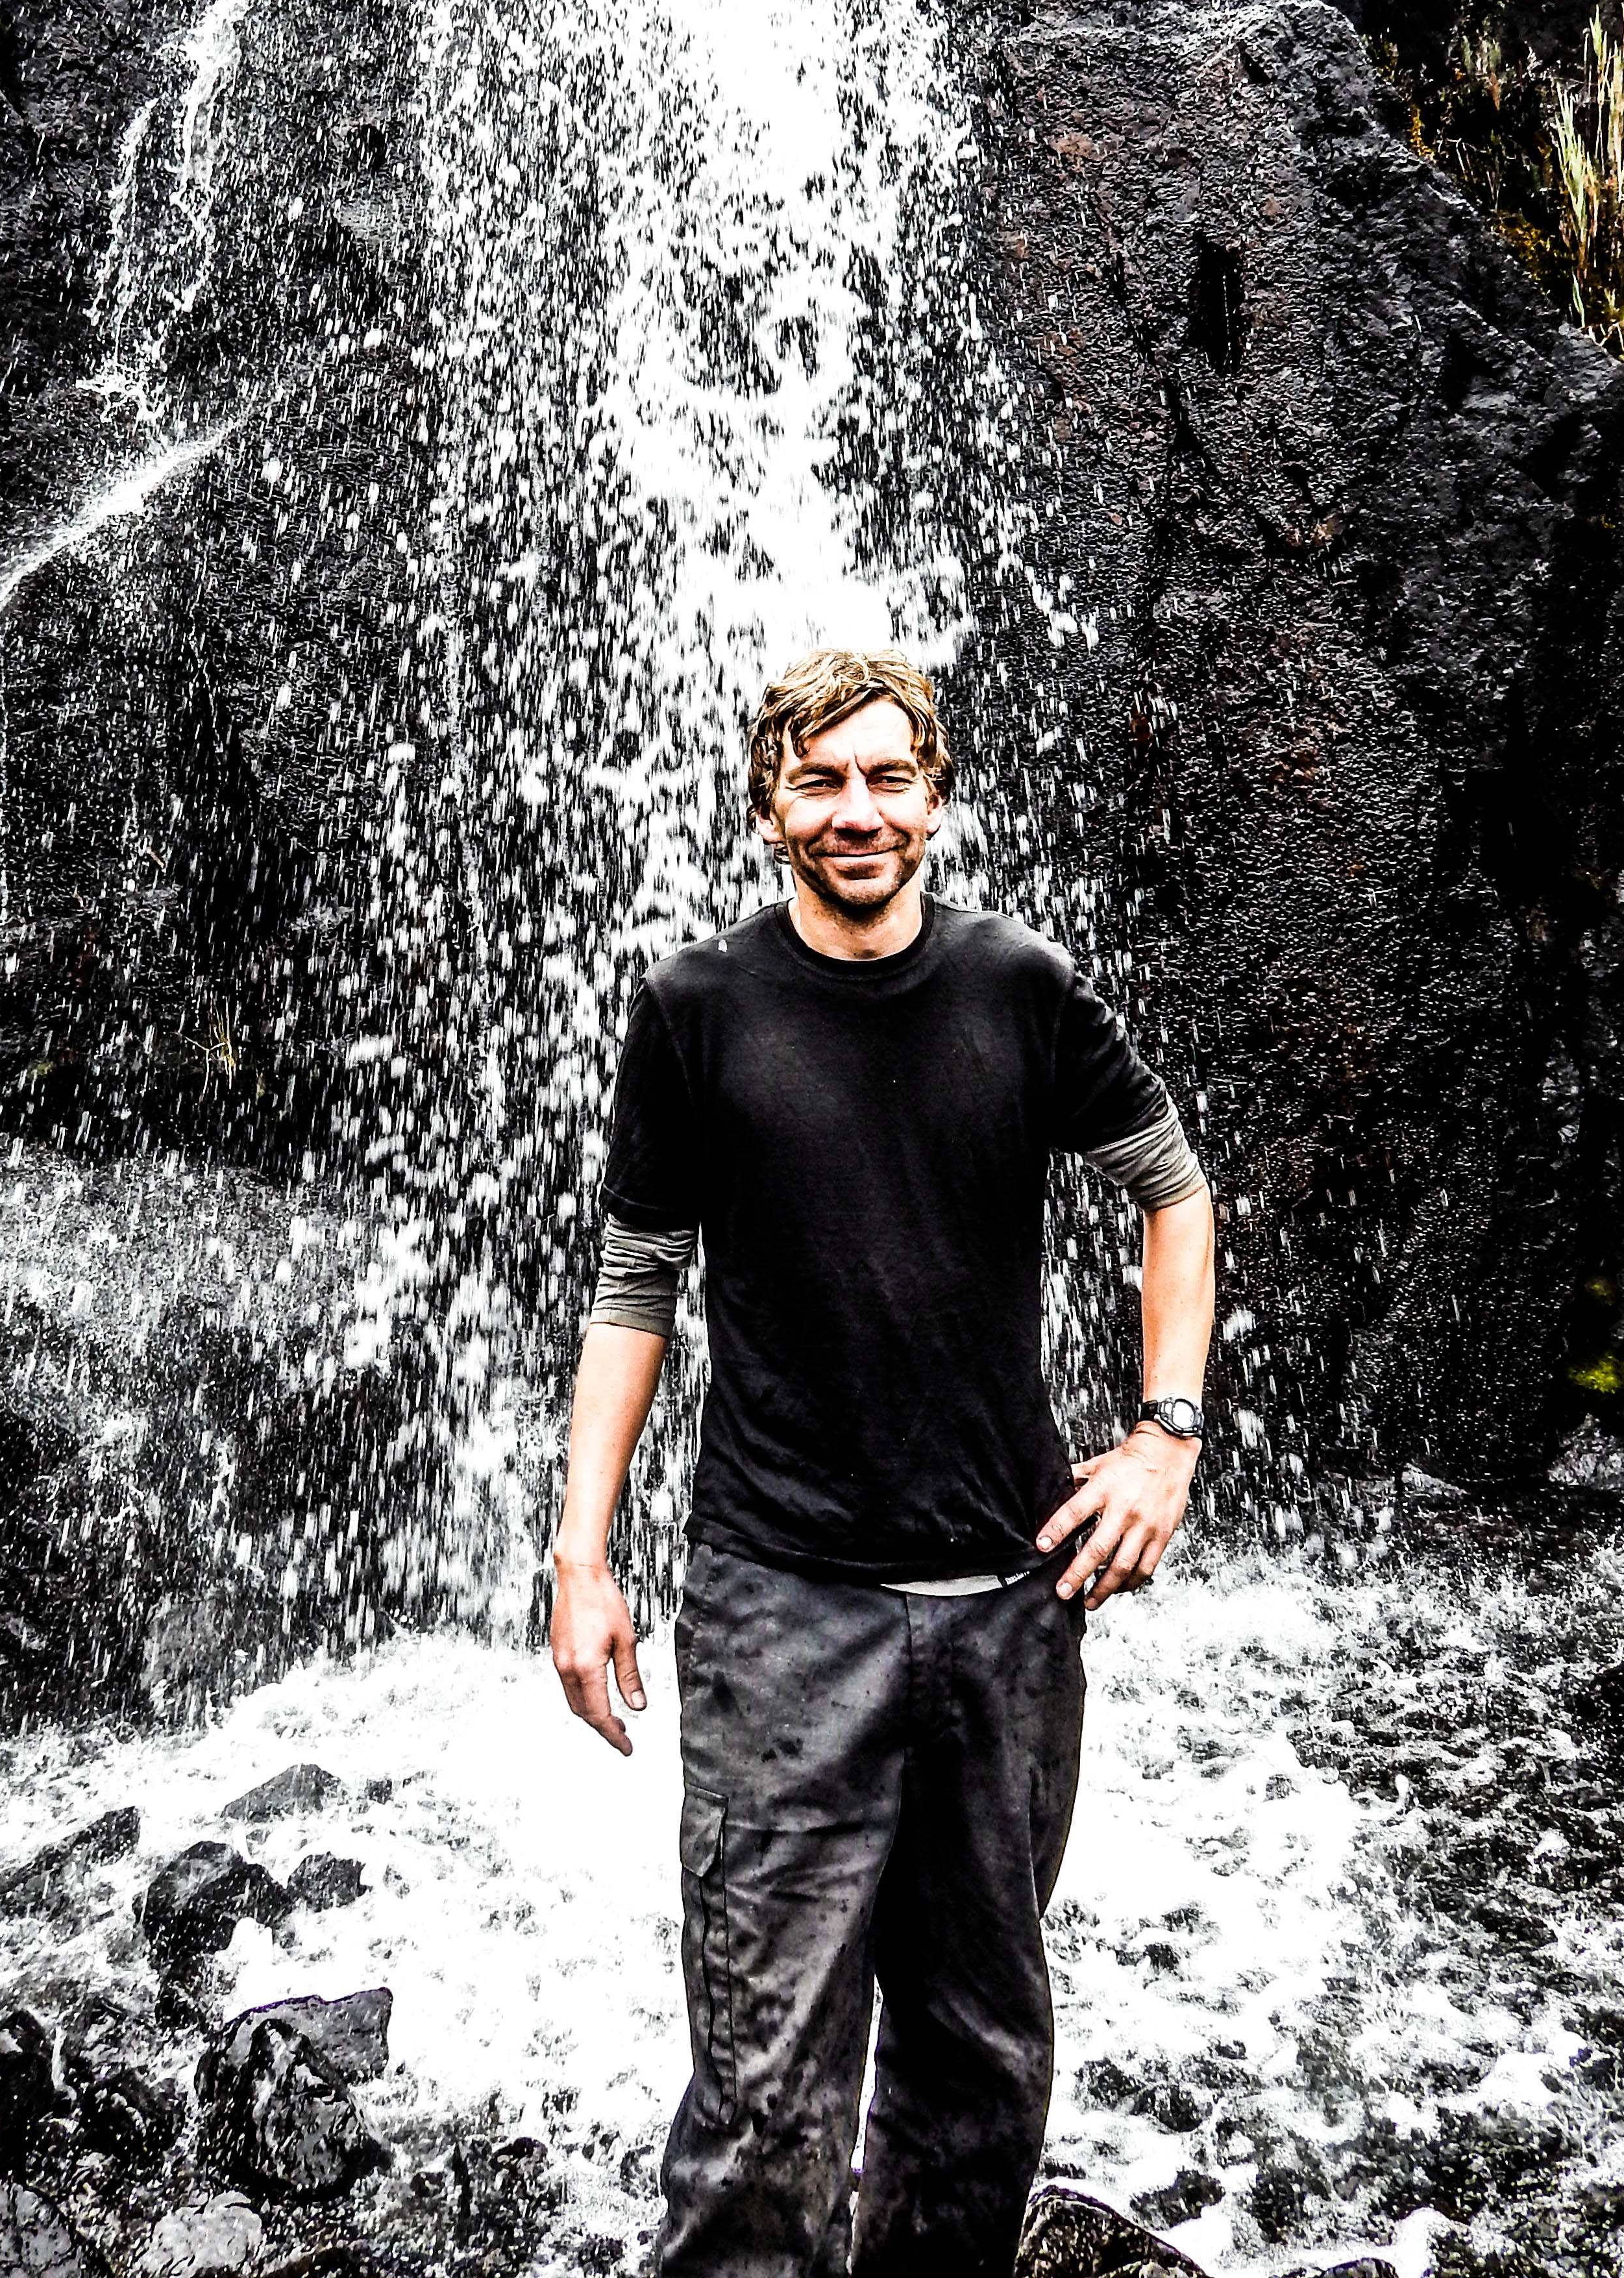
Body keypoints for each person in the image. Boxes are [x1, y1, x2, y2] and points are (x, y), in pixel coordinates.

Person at [548, 648, 1216, 2277]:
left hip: (1011, 1606)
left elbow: (1176, 1191)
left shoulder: (1022, 987)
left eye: (887, 777)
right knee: (763, 2101)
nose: (857, 811)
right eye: (822, 781)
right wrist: (582, 1554)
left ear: (935, 796)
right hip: (781, 1611)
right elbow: (636, 1286)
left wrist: (1165, 1434)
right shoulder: (696, 1009)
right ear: (769, 805)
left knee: (979, 2074)